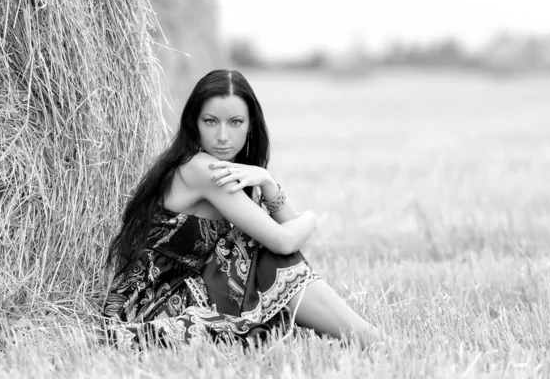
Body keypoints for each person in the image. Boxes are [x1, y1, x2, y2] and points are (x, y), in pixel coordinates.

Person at [103, 69, 382, 348]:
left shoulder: (216, 169)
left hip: (185, 288)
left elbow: (286, 232)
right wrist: (312, 218)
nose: (223, 136)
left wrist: (268, 182)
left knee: (257, 248)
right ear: (194, 124)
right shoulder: (203, 169)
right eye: (210, 121)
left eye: (235, 122)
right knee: (262, 248)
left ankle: (364, 336)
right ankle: (369, 338)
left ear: (250, 126)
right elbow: (285, 239)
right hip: (151, 307)